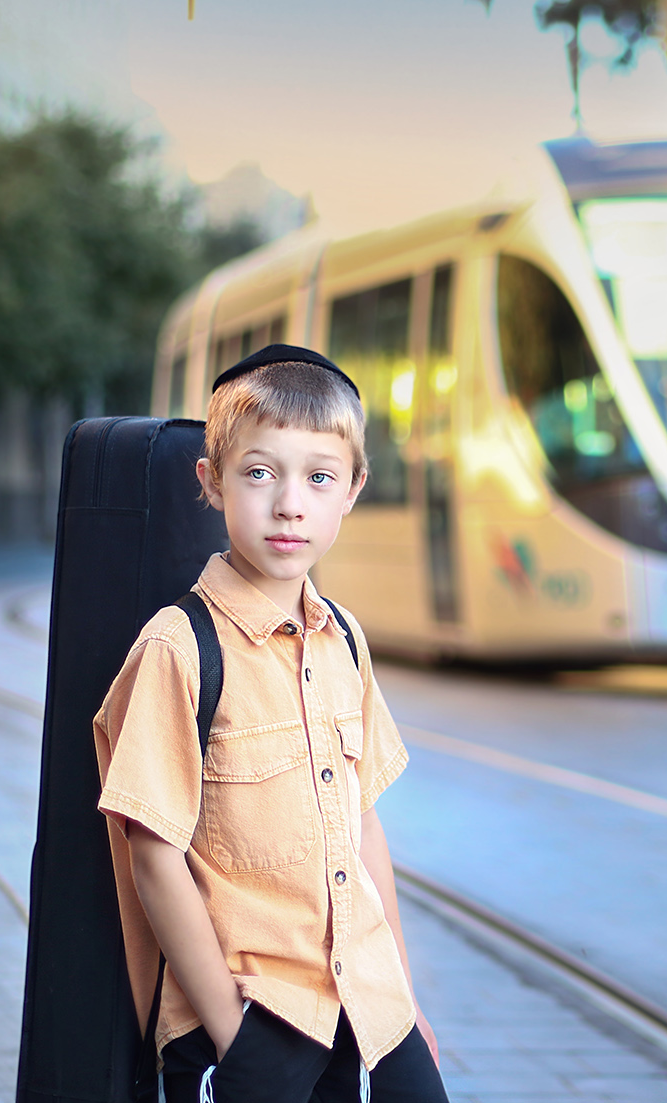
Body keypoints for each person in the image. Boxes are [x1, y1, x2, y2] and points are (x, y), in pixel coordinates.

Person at [93, 345, 448, 1103]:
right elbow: (153, 854)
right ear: (211, 480)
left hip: (369, 1009)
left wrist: (402, 999)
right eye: (259, 472)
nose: (290, 503)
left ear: (352, 489)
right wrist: (231, 1035)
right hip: (260, 1012)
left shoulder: (343, 636)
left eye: (319, 476)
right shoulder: (179, 646)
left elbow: (362, 823)